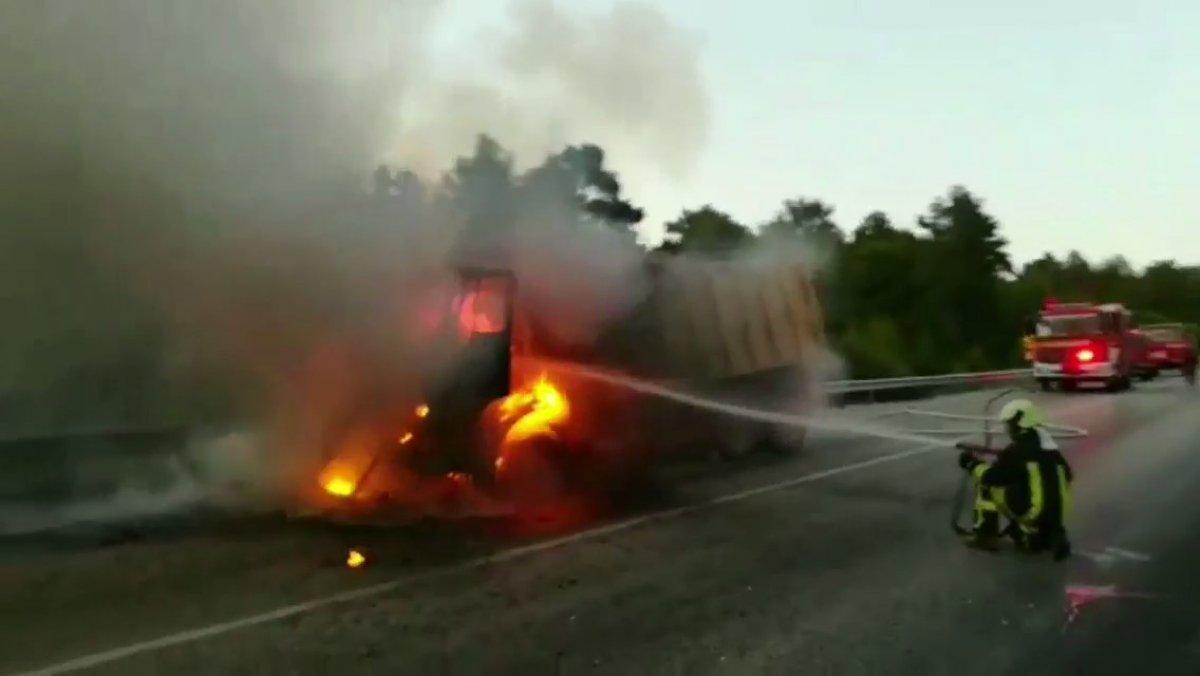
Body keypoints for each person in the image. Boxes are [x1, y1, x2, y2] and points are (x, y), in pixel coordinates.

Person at [956, 399, 1073, 560]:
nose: (1008, 429)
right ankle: (1049, 533)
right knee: (1028, 489)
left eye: (1010, 424)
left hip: (1032, 511)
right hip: (1057, 514)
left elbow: (993, 477)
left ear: (1020, 423)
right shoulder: (1052, 450)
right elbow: (1067, 476)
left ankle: (986, 537)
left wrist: (971, 464)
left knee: (986, 485)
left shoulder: (1017, 450)